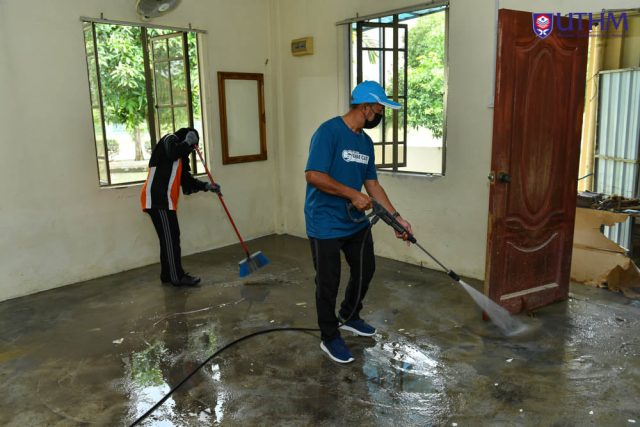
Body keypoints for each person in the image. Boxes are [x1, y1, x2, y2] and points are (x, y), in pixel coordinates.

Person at [305, 81, 413, 364]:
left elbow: (373, 185)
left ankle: (350, 315)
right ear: (364, 107)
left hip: (354, 222)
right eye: (379, 109)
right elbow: (314, 176)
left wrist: (397, 219)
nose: (380, 115)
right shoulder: (328, 132)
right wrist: (353, 194)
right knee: (328, 282)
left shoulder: (364, 142)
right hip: (324, 221)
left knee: (366, 268)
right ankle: (329, 336)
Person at [140, 127, 220, 287]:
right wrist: (187, 141)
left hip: (165, 201)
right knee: (171, 237)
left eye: (194, 146)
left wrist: (206, 186)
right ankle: (177, 276)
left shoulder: (180, 159)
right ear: (185, 137)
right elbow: (172, 152)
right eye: (192, 144)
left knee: (169, 238)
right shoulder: (169, 139)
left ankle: (167, 275)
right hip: (158, 199)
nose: (191, 149)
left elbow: (187, 180)